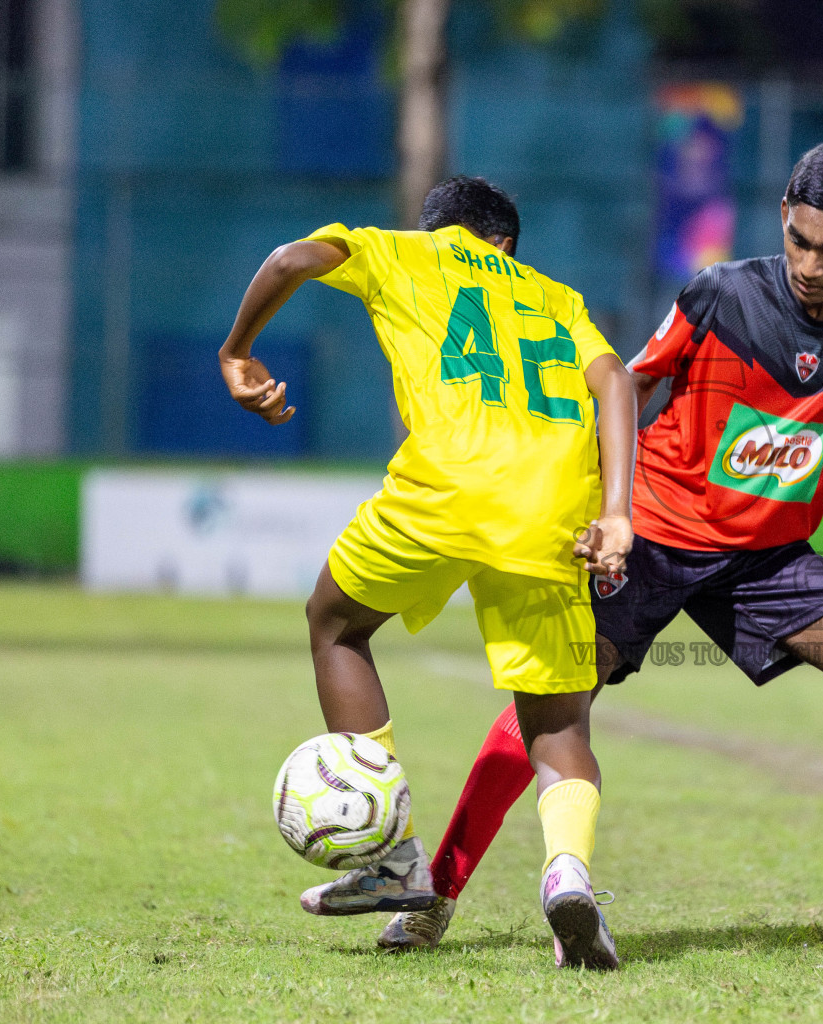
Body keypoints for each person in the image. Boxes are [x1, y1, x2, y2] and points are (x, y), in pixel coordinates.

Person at [383, 137, 823, 952]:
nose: (810, 263)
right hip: (656, 533)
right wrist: (605, 509)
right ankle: (433, 896)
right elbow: (625, 384)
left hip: (764, 559)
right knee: (548, 708)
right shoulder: (717, 295)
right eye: (799, 240)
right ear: (782, 217)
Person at [217, 175, 636, 970]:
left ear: (442, 229)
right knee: (557, 723)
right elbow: (615, 380)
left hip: (445, 488)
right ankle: (567, 875)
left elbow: (289, 259)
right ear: (505, 242)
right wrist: (616, 512)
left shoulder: (400, 250)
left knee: (335, 624)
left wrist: (237, 351)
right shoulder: (556, 295)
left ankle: (395, 860)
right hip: (553, 505)